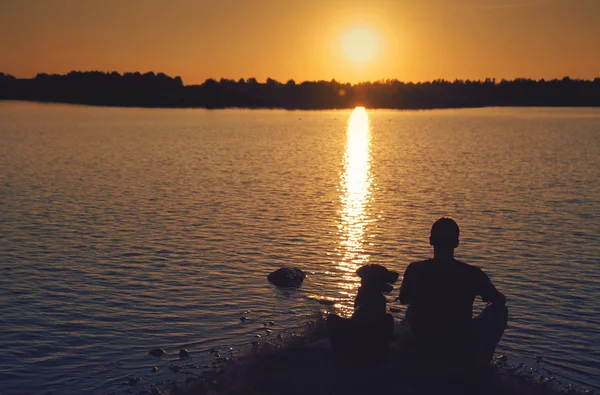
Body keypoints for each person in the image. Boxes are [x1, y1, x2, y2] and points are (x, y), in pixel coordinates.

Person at [399, 217, 508, 365]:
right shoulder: (473, 273)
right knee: (500, 310)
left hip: (423, 336)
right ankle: (479, 359)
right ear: (456, 243)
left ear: (431, 241)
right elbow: (498, 300)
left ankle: (418, 352)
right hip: (458, 340)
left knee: (409, 314)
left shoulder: (415, 269)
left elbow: (404, 299)